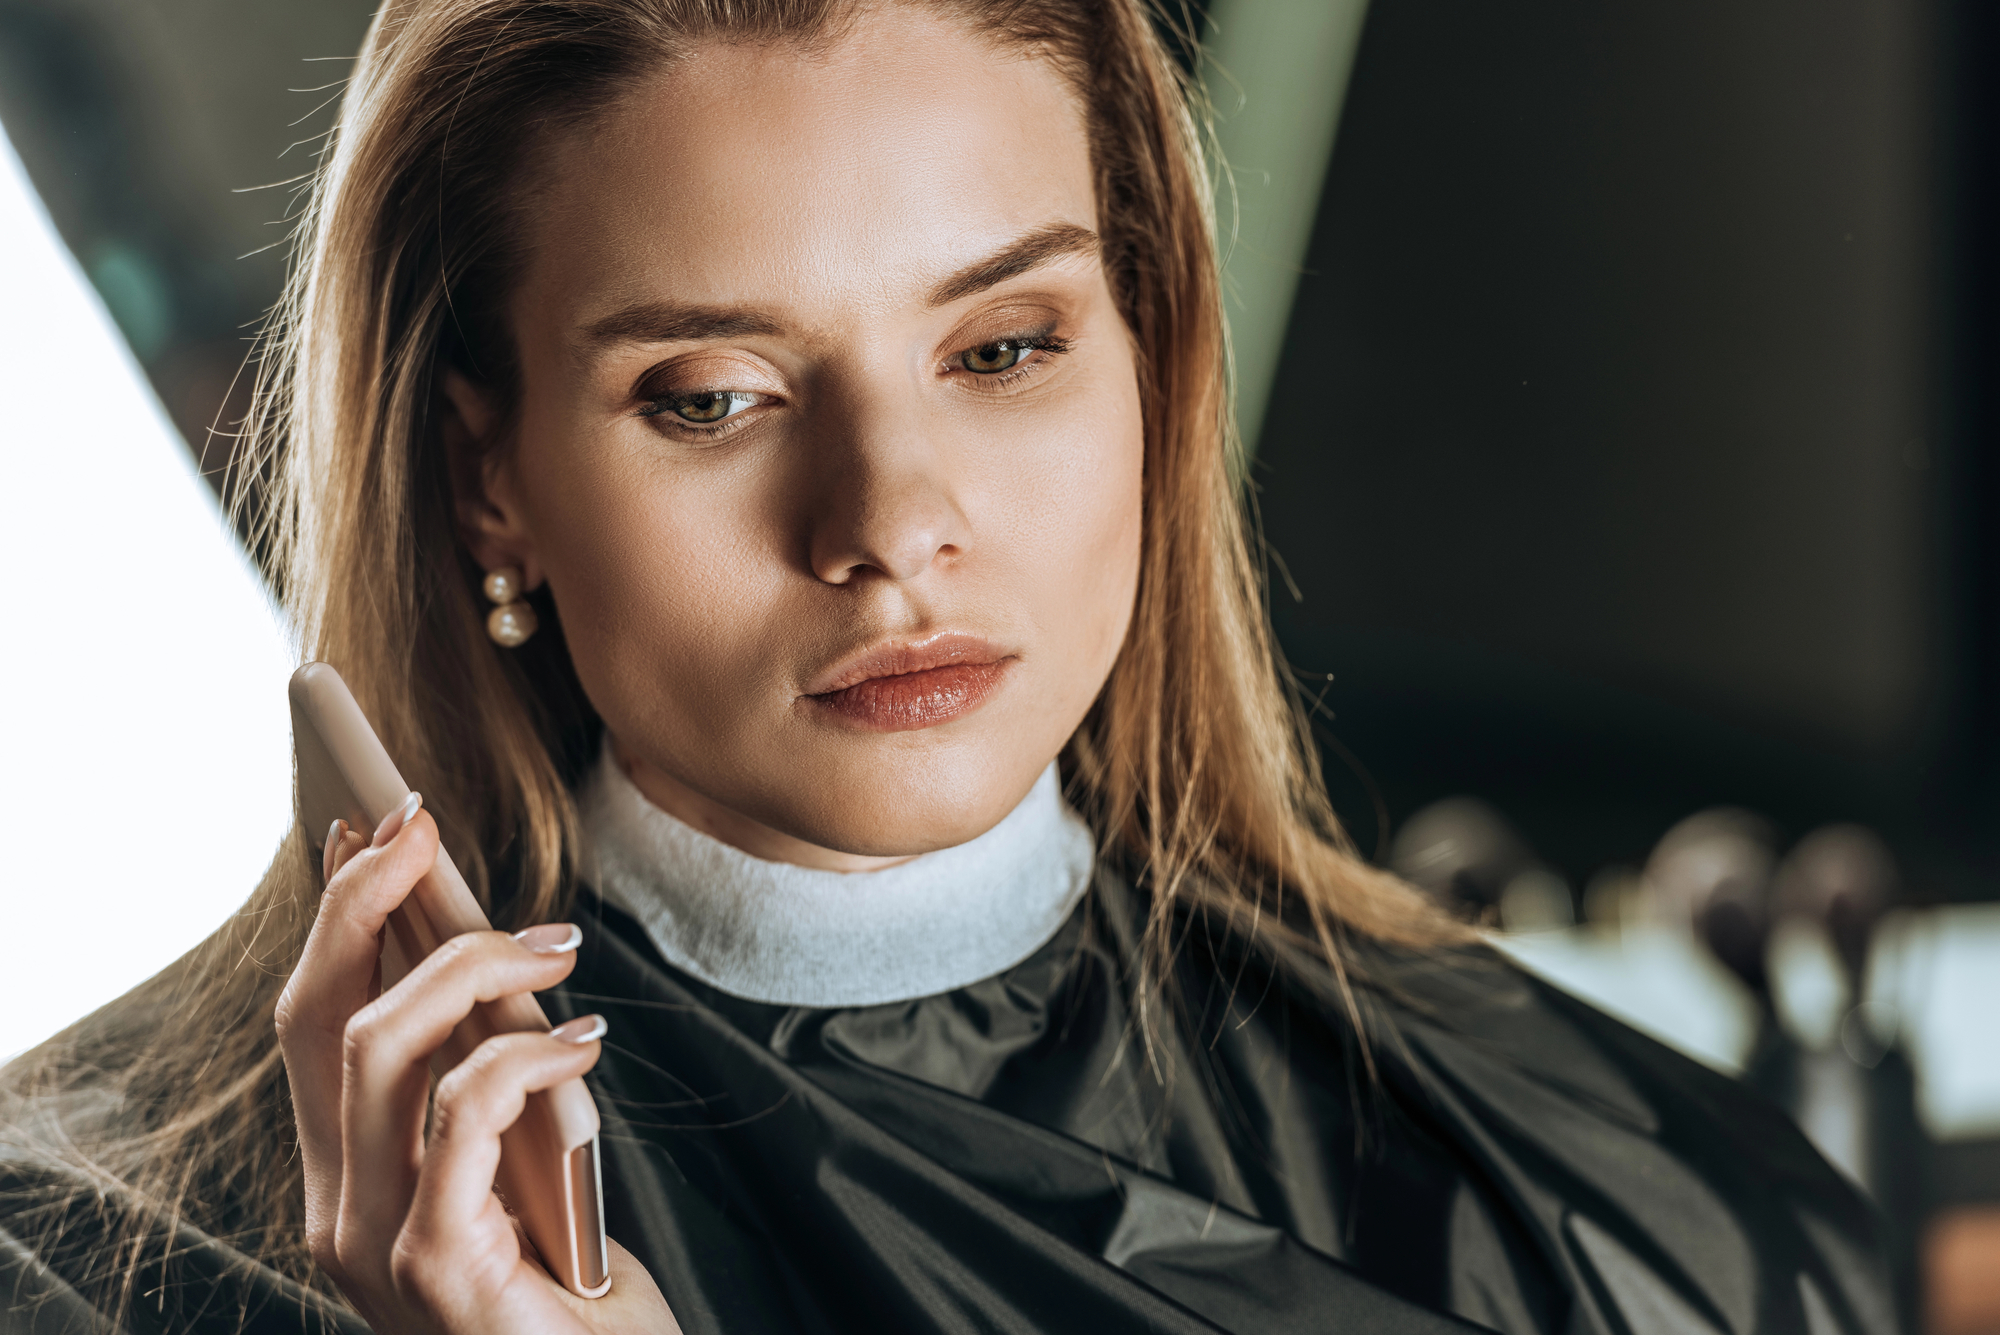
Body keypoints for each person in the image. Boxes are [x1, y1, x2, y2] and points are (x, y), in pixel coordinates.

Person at [0, 1, 1896, 1331]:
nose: (891, 523)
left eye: (1002, 349)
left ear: (1149, 358)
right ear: (487, 476)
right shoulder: (97, 1265)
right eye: (714, 394)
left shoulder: (1648, 1218)